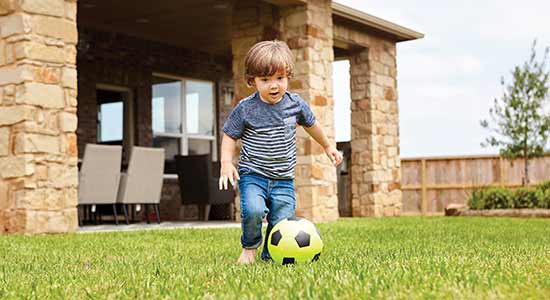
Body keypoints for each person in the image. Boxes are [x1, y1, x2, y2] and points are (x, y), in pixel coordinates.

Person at [219, 40, 343, 264]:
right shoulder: (245, 108)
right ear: (252, 80)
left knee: (282, 219)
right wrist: (226, 163)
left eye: (280, 78)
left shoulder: (295, 104)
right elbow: (229, 134)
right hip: (253, 175)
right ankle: (249, 248)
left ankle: (271, 254)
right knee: (254, 212)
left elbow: (312, 125)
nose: (273, 85)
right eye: (265, 80)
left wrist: (327, 146)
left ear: (288, 76)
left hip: (283, 178)